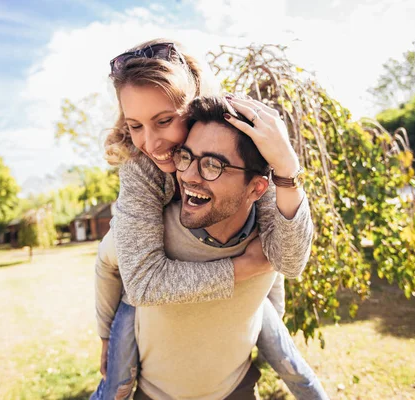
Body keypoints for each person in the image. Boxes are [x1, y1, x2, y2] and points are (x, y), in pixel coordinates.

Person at [93, 40, 328, 399]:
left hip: (228, 368)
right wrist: (241, 269)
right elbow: (140, 282)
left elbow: (287, 259)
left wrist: (286, 168)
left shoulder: (239, 148)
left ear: (195, 104)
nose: (152, 143)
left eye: (165, 121)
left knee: (292, 363)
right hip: (147, 319)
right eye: (135, 125)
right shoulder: (142, 168)